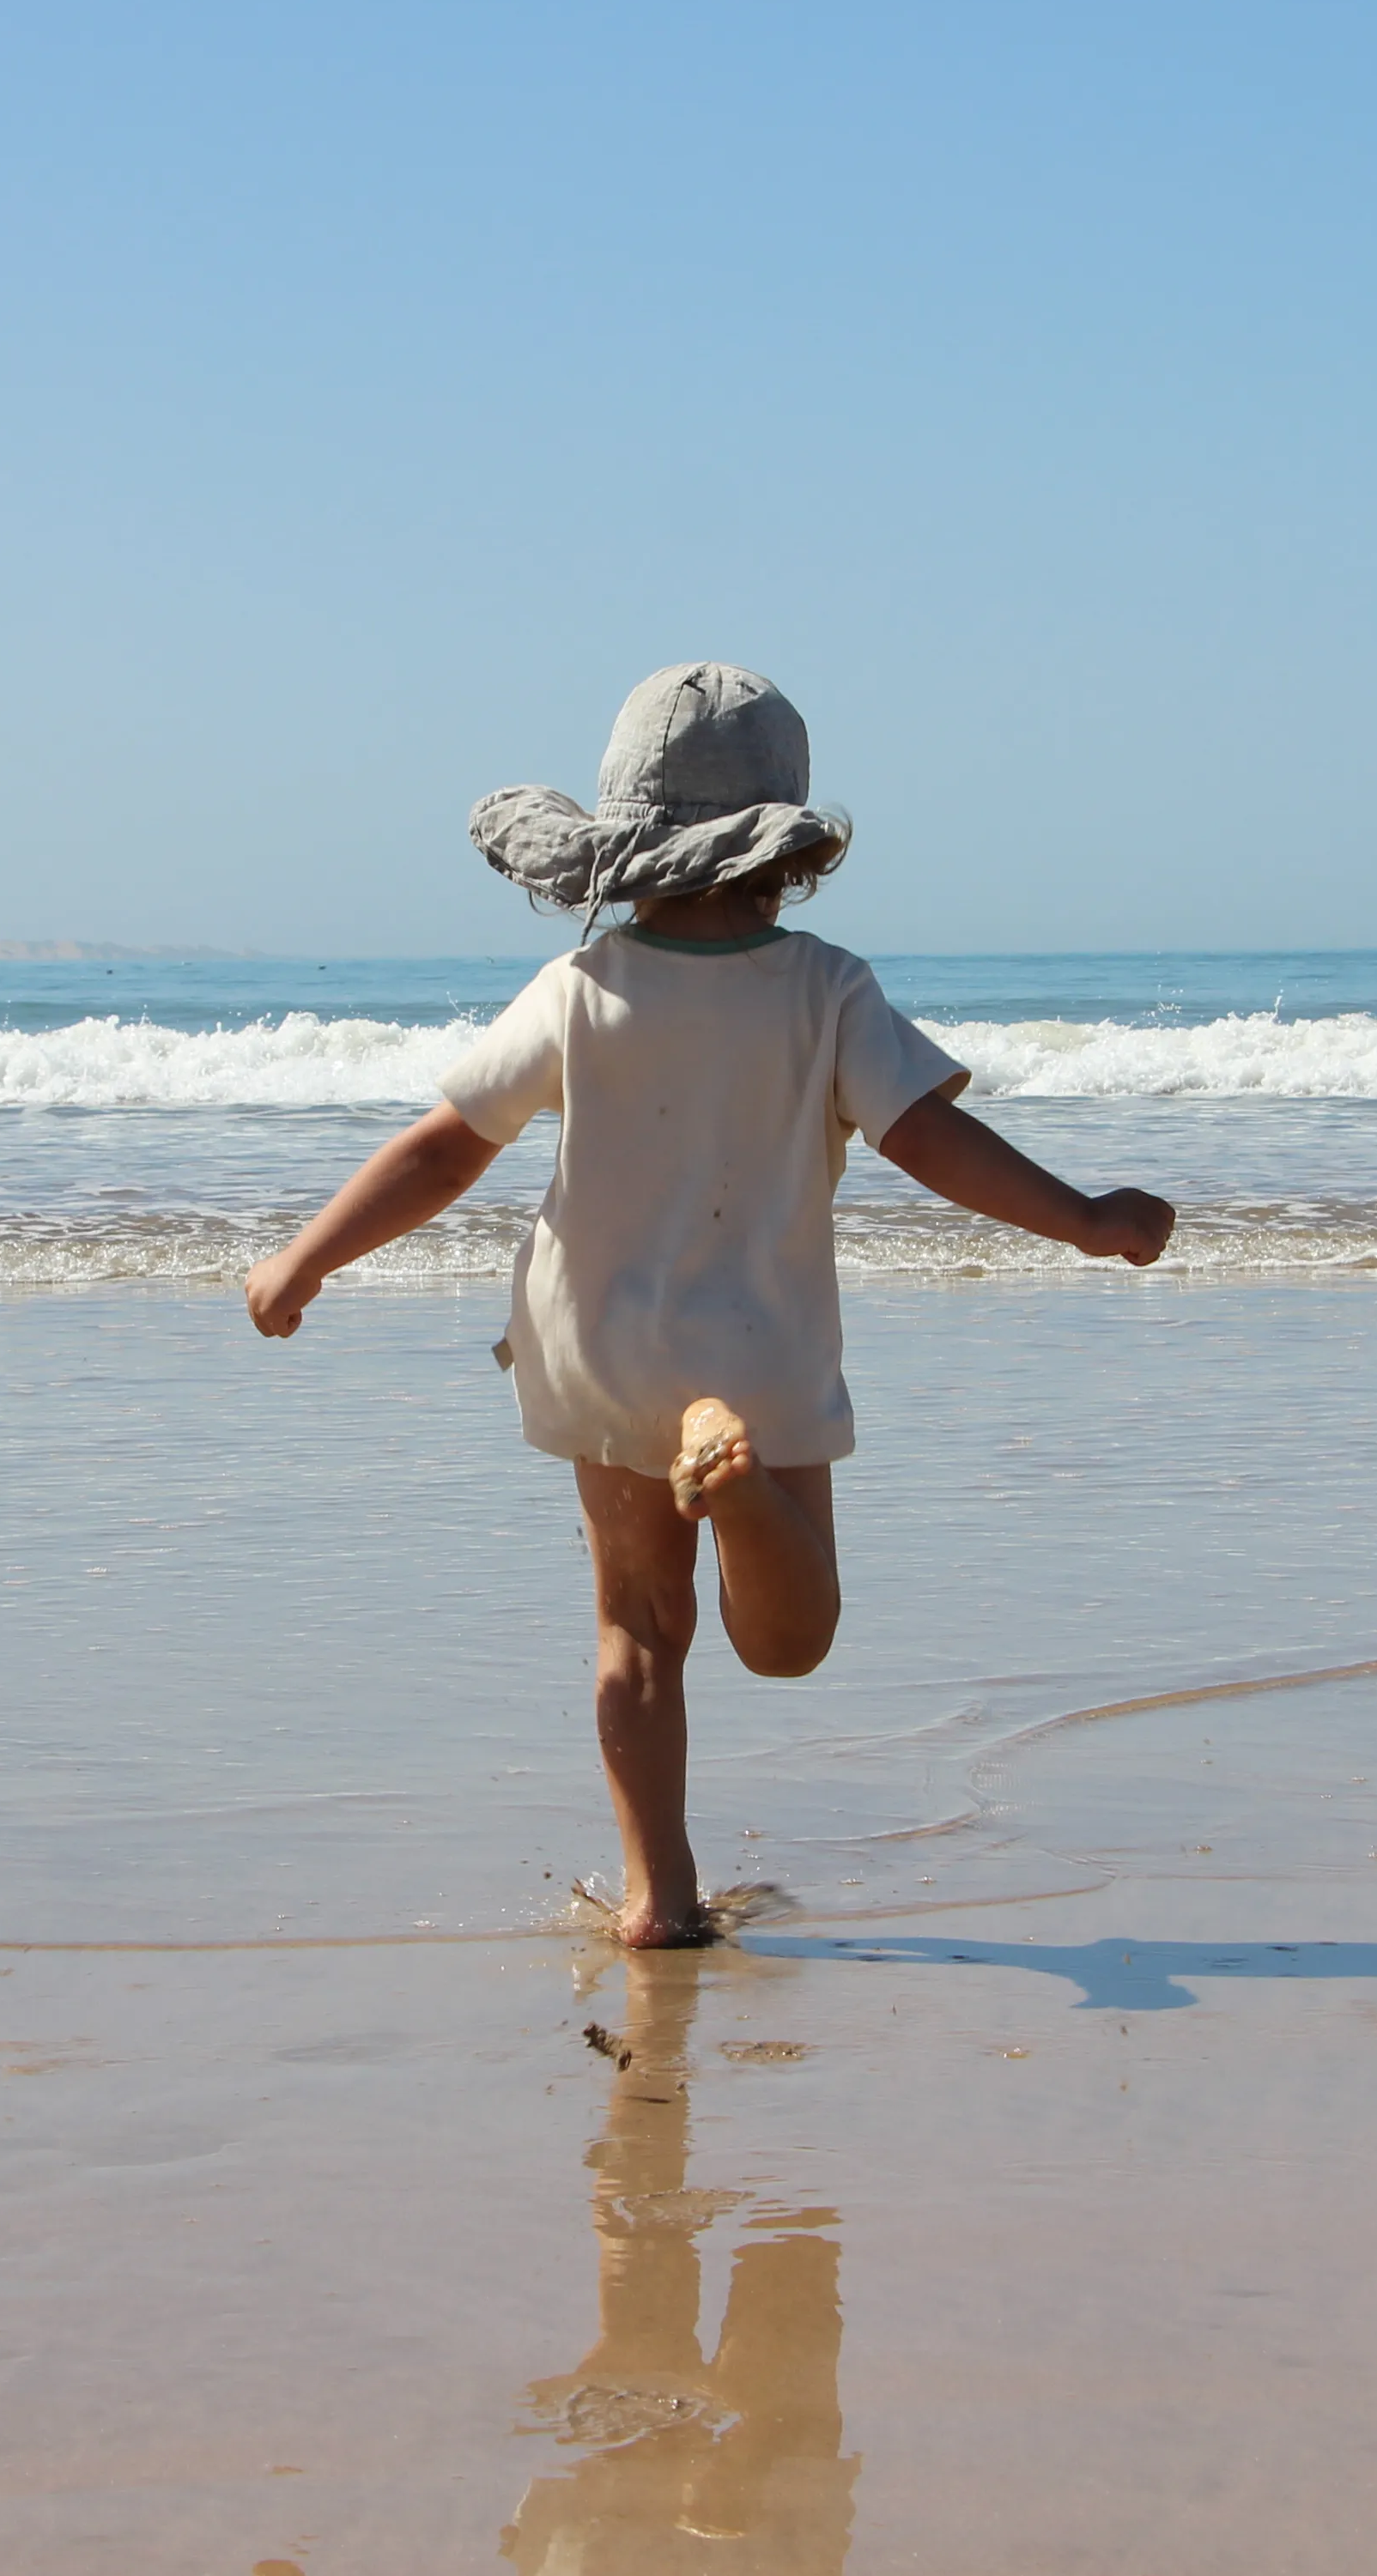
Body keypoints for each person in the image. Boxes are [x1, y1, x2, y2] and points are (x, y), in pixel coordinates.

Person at [246, 664, 1174, 1947]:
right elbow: (926, 1139)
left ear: (623, 848)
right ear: (786, 852)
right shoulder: (825, 990)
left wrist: (303, 1260)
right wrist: (1084, 1217)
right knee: (789, 1642)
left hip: (598, 1343)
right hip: (760, 1348)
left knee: (636, 1629)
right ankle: (736, 1492)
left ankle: (657, 1898)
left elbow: (446, 1150)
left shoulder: (579, 988)